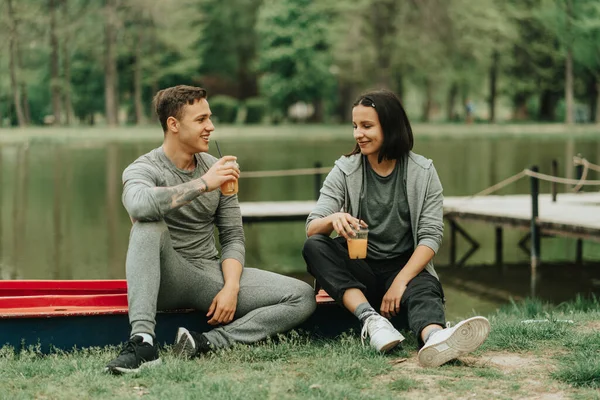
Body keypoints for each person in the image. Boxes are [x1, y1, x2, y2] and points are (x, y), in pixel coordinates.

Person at [105, 85, 316, 374]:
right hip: (164, 277)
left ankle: (205, 342)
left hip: (207, 276)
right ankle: (142, 342)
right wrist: (204, 183)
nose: (211, 127)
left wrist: (231, 287)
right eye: (201, 120)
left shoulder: (219, 168)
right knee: (147, 226)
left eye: (210, 118)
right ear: (174, 124)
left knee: (302, 296)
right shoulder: (144, 168)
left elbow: (232, 236)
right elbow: (139, 206)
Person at [302, 90, 489, 367]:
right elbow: (312, 227)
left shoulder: (423, 172)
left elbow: (430, 237)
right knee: (315, 246)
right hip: (360, 268)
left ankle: (437, 339)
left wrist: (400, 282)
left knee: (424, 287)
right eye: (355, 126)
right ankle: (372, 320)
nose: (358, 134)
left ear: (390, 127)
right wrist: (333, 219)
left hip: (405, 269)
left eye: (367, 126)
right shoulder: (345, 170)